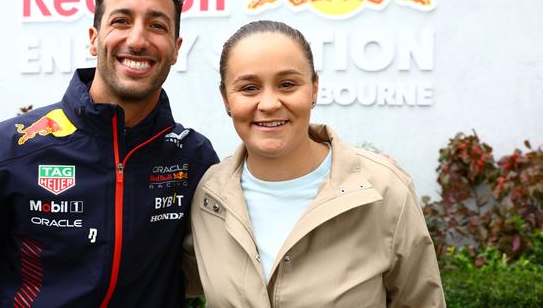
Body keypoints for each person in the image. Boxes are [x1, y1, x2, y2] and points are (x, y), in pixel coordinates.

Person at [0, 0, 218, 307]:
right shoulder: (7, 149)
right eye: (121, 21)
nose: (137, 40)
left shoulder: (192, 158)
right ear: (94, 39)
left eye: (157, 26)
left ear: (176, 49)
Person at [184, 20, 445, 307]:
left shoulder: (384, 189)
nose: (269, 103)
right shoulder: (209, 196)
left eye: (287, 84)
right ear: (226, 98)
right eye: (249, 88)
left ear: (314, 89)